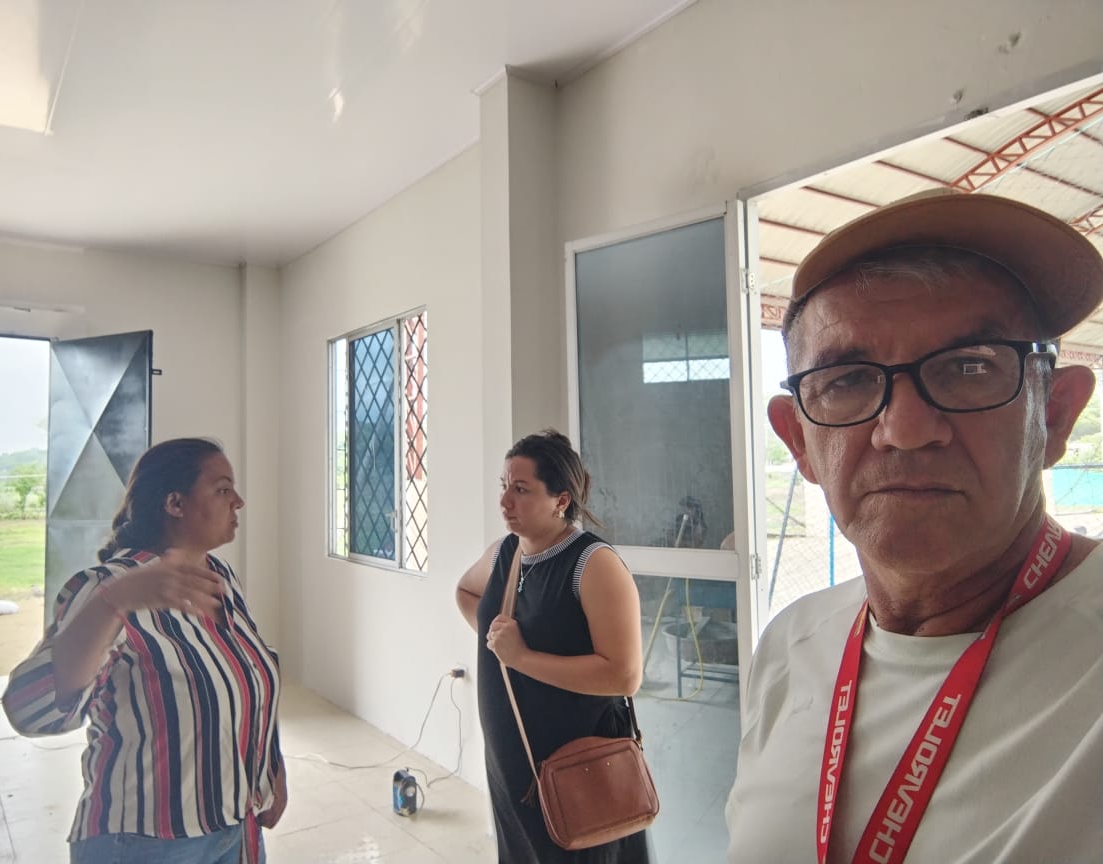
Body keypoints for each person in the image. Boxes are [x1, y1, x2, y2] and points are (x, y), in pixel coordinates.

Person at [725, 189, 1103, 863]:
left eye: (969, 367)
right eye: (847, 380)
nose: (904, 429)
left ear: (1054, 414)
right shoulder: (788, 646)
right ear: (799, 442)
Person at [3, 438, 286, 864]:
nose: (238, 501)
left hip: (236, 829)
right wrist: (113, 602)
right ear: (175, 503)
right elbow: (32, 711)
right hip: (146, 844)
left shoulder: (220, 576)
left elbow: (246, 678)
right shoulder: (109, 586)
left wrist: (270, 772)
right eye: (223, 489)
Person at [456, 429, 652, 863]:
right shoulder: (504, 554)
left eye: (521, 489)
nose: (505, 501)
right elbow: (466, 593)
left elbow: (624, 675)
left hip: (579, 769)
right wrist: (495, 646)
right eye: (504, 486)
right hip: (512, 765)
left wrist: (521, 658)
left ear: (561, 500)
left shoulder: (592, 563)